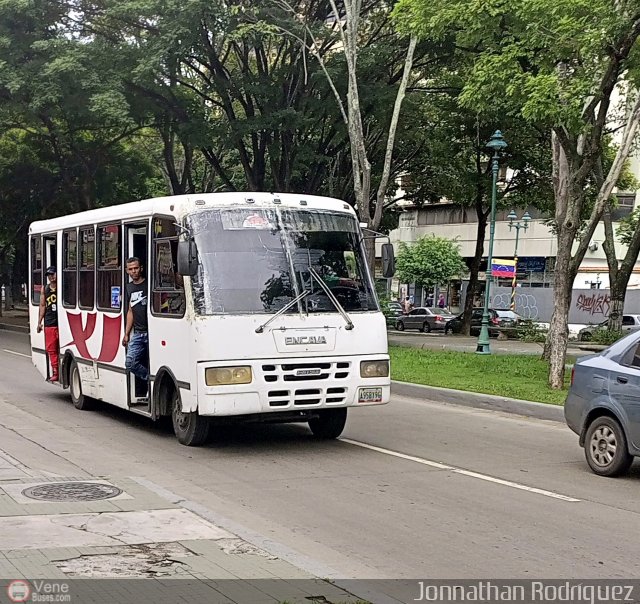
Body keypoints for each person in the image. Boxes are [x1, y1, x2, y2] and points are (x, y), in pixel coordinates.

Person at [122, 257, 149, 391]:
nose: (134, 271)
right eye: (131, 269)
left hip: (152, 332)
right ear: (127, 271)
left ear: (141, 268)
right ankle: (149, 379)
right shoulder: (129, 288)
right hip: (138, 334)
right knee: (130, 363)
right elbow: (130, 311)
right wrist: (126, 334)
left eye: (136, 268)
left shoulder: (149, 285)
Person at [37, 266, 59, 382]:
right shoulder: (44, 289)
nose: (51, 277)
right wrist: (39, 322)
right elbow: (42, 305)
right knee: (51, 349)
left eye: (52, 274)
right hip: (49, 323)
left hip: (61, 323)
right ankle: (55, 371)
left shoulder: (62, 287)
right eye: (49, 275)